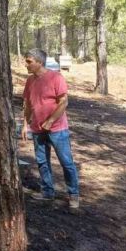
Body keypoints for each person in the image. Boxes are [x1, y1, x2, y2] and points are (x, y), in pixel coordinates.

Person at [22, 48, 80, 209]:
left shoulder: (56, 78)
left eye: (29, 61)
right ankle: (47, 192)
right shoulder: (30, 81)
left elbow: (64, 102)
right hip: (37, 129)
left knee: (66, 162)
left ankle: (73, 195)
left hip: (58, 129)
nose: (26, 65)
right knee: (42, 161)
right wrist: (25, 124)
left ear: (39, 62)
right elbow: (27, 104)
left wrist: (50, 121)